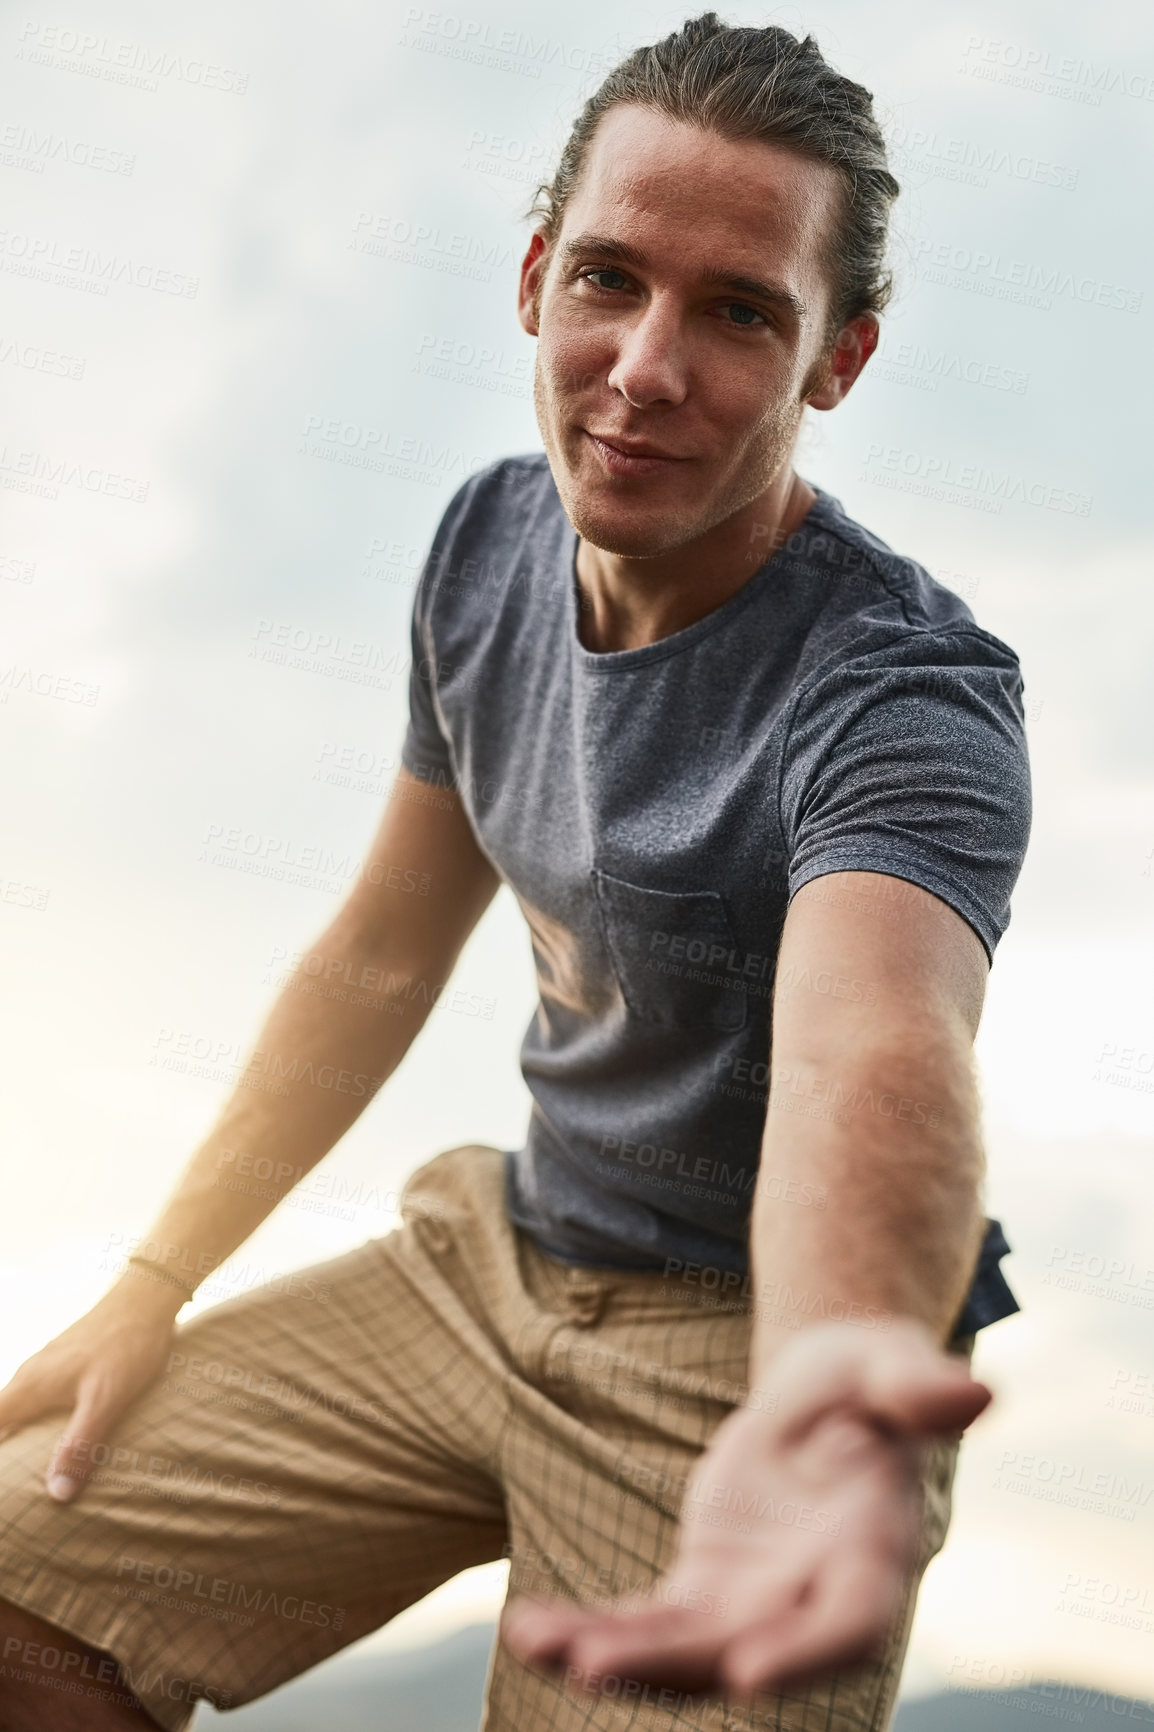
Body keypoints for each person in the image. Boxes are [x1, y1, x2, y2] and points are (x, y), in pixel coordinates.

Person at [0, 13, 1032, 1731]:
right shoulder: (485, 543)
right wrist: (149, 1285)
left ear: (833, 361)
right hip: (498, 1257)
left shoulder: (900, 688)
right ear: (537, 274)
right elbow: (379, 958)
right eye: (610, 280)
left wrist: (831, 1394)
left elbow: (877, 1050)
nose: (643, 365)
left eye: (736, 312)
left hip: (746, 1353)